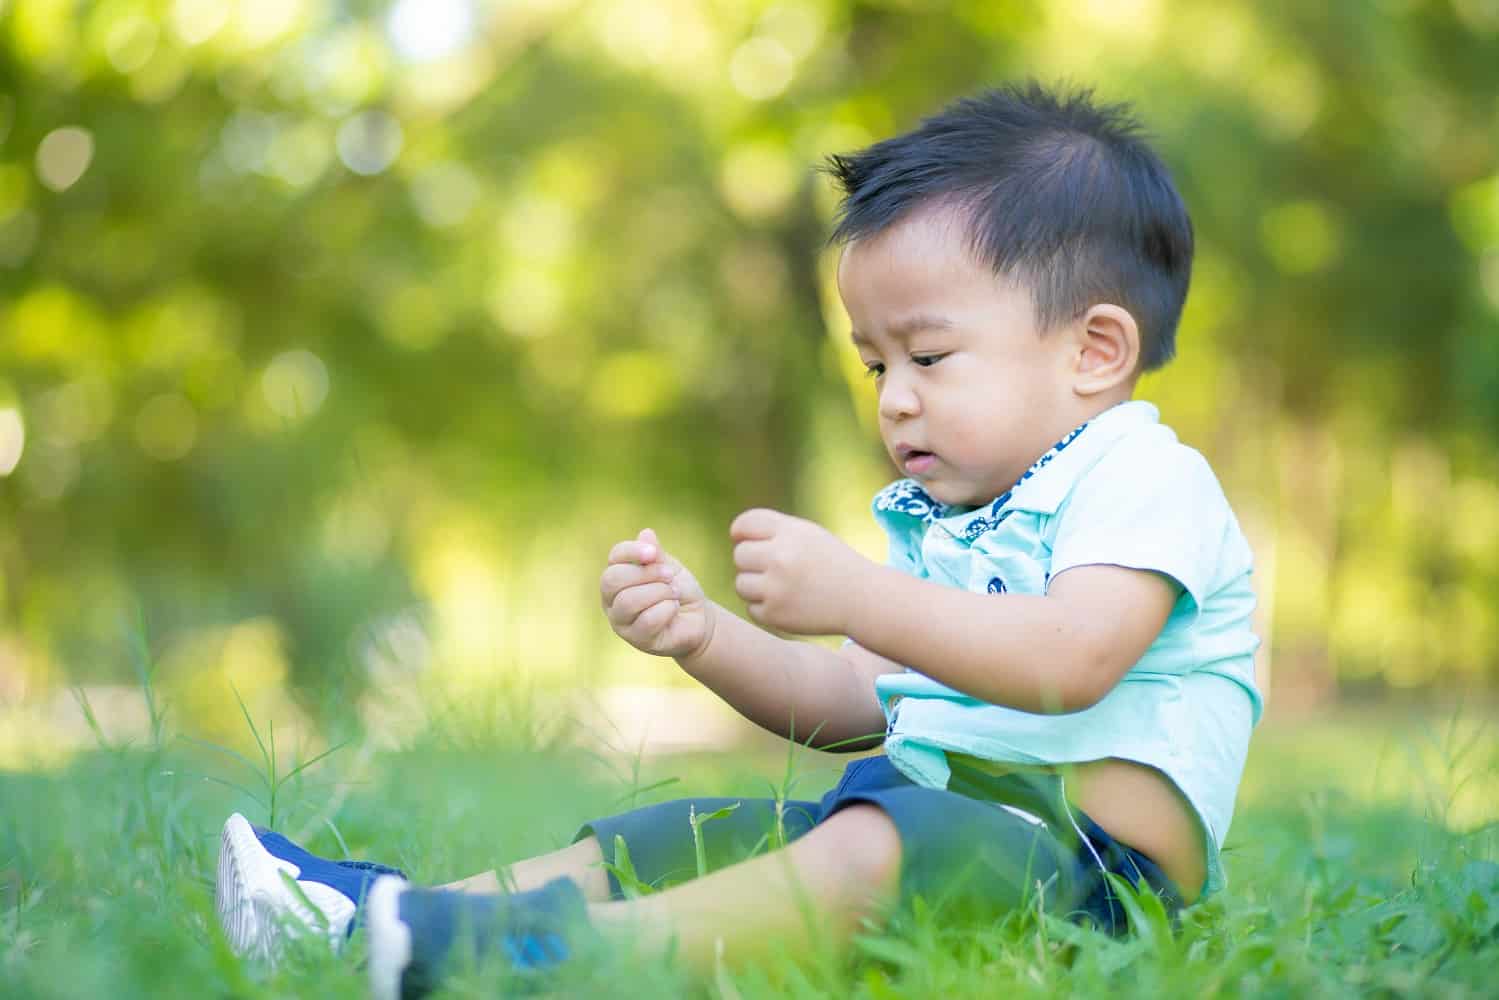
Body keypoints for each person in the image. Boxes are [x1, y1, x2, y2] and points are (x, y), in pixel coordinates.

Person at [214, 80, 1261, 1000]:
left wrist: (855, 592)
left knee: (872, 843)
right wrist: (704, 636)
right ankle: (372, 919)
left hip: (1093, 890)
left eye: (928, 356)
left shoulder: (1141, 475)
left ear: (1093, 349)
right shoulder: (948, 520)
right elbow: (851, 708)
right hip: (930, 823)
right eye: (872, 365)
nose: (892, 400)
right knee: (703, 830)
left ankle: (538, 959)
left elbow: (1069, 661)